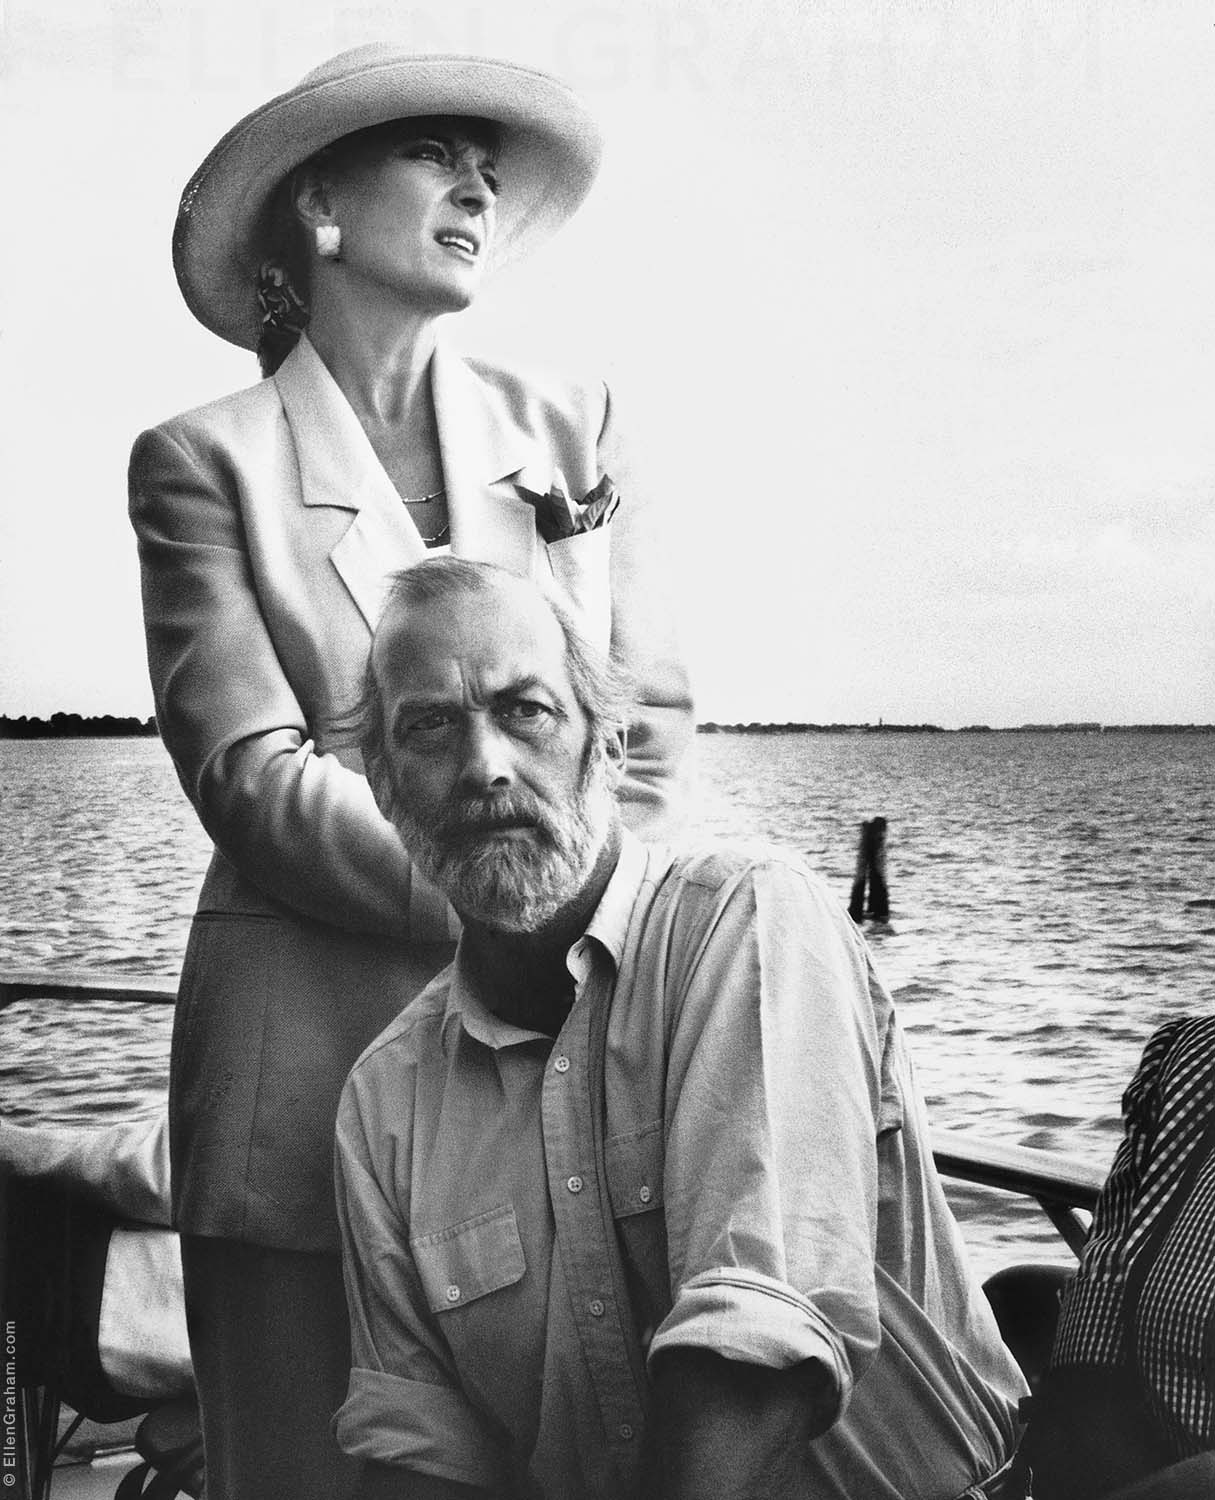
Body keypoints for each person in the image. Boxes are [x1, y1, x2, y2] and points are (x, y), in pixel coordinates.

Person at [127, 45, 693, 1500]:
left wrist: (584, 940)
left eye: (489, 171)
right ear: (317, 207)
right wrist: (522, 908)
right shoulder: (202, 459)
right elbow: (249, 770)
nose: (476, 186)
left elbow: (639, 713)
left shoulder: (570, 426)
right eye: (434, 154)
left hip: (560, 1070)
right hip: (301, 1071)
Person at [333, 557, 1027, 1500]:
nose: (484, 764)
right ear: (381, 779)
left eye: (525, 710)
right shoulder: (385, 1105)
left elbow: (752, 1353)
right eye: (429, 725)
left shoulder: (750, 925)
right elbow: (420, 1459)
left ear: (608, 748)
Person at [1023, 1014, 1215, 1500]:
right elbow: (1108, 1257)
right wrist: (1068, 1416)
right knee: (1016, 1294)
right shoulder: (1187, 1053)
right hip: (1133, 1432)